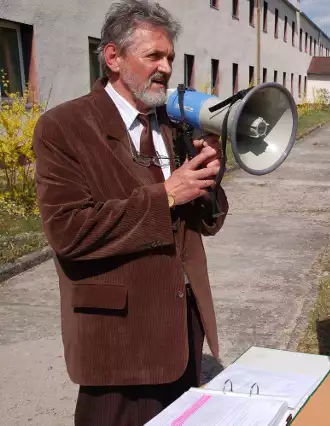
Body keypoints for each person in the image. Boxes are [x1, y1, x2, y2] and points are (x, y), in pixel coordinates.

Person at [32, 1, 228, 425]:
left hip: (182, 330)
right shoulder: (63, 127)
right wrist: (166, 196)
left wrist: (210, 179)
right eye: (153, 55)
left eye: (171, 58)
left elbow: (206, 224)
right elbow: (69, 232)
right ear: (113, 57)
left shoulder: (174, 125)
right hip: (118, 338)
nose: (166, 67)